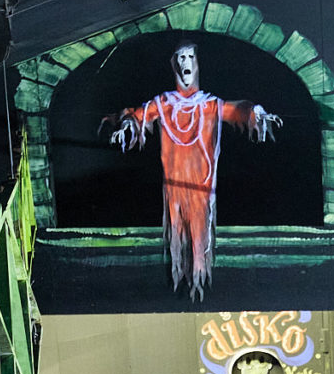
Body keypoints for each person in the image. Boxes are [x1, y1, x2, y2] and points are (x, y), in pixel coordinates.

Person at [105, 39, 279, 298]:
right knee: (177, 242)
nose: (185, 62)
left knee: (199, 244)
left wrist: (257, 112)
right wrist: (128, 125)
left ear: (197, 64)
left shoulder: (208, 104)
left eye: (190, 57)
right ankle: (182, 284)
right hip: (175, 190)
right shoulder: (164, 103)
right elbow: (139, 115)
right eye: (181, 58)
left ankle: (199, 281)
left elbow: (237, 110)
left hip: (201, 190)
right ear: (175, 64)